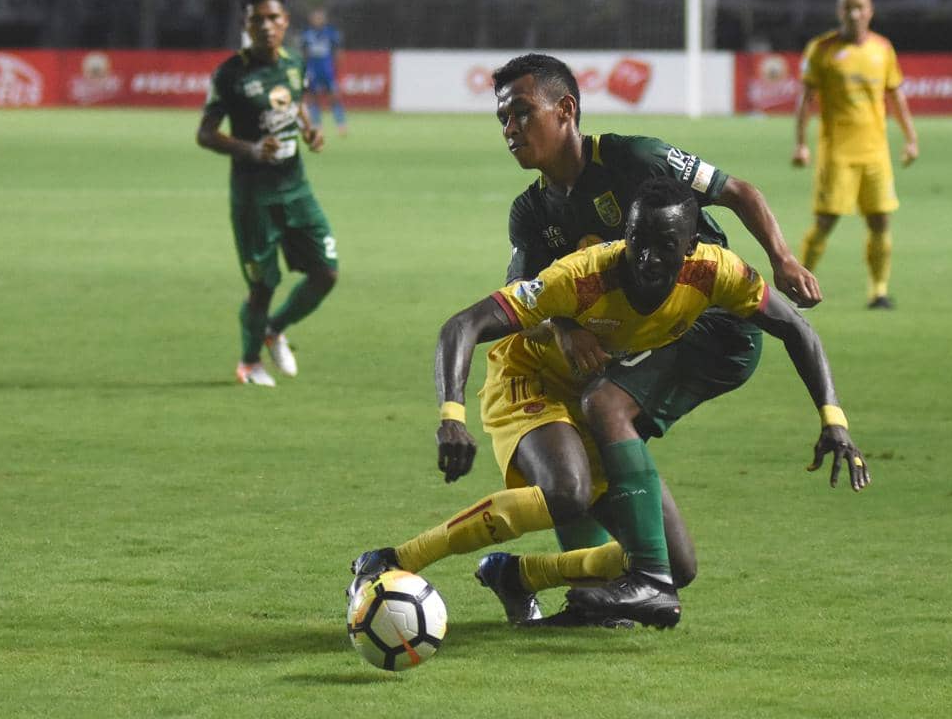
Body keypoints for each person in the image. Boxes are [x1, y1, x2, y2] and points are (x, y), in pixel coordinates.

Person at [351, 177, 869, 628]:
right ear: (627, 233)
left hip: (588, 397)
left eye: (665, 245)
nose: (647, 257)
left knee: (677, 566)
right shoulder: (579, 277)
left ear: (691, 245)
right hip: (529, 378)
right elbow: (462, 325)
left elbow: (796, 329)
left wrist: (834, 420)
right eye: (638, 240)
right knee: (568, 492)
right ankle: (394, 558)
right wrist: (451, 416)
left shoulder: (716, 272)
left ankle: (516, 575)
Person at [466, 53, 823, 624]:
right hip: (639, 333)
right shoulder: (532, 211)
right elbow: (522, 295)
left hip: (710, 325)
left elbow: (739, 190)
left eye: (522, 113)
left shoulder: (635, 158)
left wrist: (782, 259)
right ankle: (562, 581)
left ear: (566, 109)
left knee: (603, 411)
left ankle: (640, 581)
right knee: (589, 434)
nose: (510, 129)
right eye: (502, 118)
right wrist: (565, 327)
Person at [196, 0, 338, 387]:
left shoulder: (294, 64)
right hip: (253, 199)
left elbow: (296, 103)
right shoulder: (230, 74)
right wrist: (252, 149)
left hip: (297, 189)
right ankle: (249, 362)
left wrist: (309, 130)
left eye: (273, 17)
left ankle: (273, 329)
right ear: (245, 25)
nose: (266, 26)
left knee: (326, 273)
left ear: (286, 21)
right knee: (262, 286)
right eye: (256, 19)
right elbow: (205, 133)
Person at [792, 0, 919, 309]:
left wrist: (911, 139)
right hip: (837, 154)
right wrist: (801, 144)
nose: (854, 14)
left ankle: (879, 291)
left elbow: (895, 94)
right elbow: (806, 99)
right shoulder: (821, 49)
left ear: (870, 11)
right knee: (825, 222)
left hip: (875, 153)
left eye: (860, 7)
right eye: (848, 8)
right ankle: (797, 289)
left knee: (880, 221)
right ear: (839, 12)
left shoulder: (882, 49)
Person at [300, 8, 348, 135]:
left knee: (334, 97)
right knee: (312, 98)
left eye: (320, 17)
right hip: (312, 71)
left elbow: (338, 51)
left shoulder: (331, 33)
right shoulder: (307, 34)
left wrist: (334, 66)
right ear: (311, 19)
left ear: (324, 19)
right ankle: (317, 125)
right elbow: (303, 53)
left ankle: (341, 124)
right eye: (315, 17)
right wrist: (305, 68)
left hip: (327, 70)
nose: (317, 20)